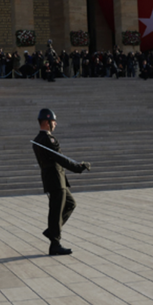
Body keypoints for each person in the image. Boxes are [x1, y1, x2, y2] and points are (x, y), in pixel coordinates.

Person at [32, 109, 90, 256]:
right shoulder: (48, 140)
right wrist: (79, 168)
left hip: (51, 179)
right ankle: (55, 244)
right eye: (53, 121)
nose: (55, 123)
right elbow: (61, 159)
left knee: (70, 204)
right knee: (56, 212)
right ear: (46, 122)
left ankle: (52, 231)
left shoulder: (38, 139)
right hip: (56, 180)